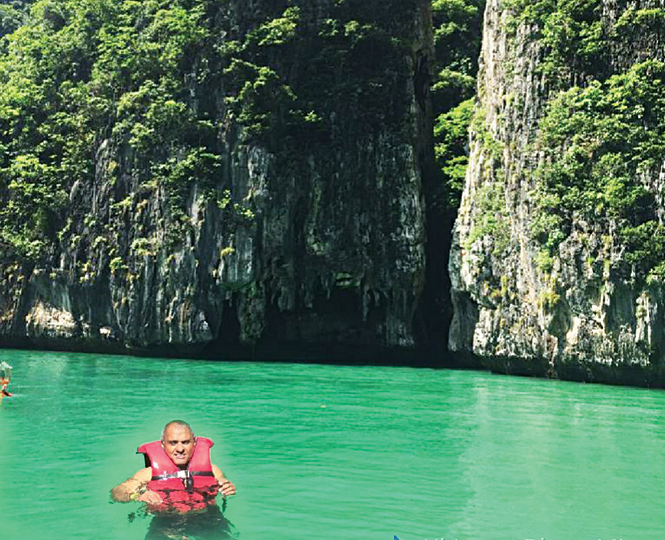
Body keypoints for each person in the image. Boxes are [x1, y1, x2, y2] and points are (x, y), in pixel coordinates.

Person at [111, 420, 237, 539]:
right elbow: (117, 492)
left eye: (185, 442)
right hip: (166, 524)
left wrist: (227, 487)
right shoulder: (148, 474)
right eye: (173, 442)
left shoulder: (213, 471)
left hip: (209, 521)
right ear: (162, 444)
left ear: (194, 443)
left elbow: (224, 484)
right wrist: (138, 496)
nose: (180, 449)